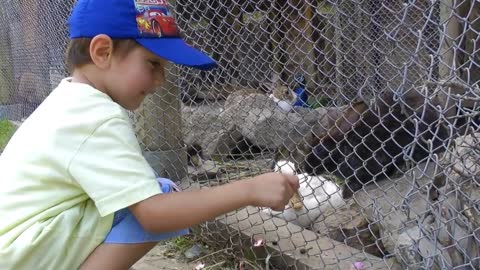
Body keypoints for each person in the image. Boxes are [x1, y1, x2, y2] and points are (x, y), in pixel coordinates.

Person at [0, 0, 299, 269]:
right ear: (103, 52)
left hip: (16, 247)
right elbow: (153, 215)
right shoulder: (96, 116)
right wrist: (248, 190)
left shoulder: (71, 99)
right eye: (153, 63)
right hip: (23, 254)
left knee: (148, 191)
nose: (160, 81)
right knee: (160, 197)